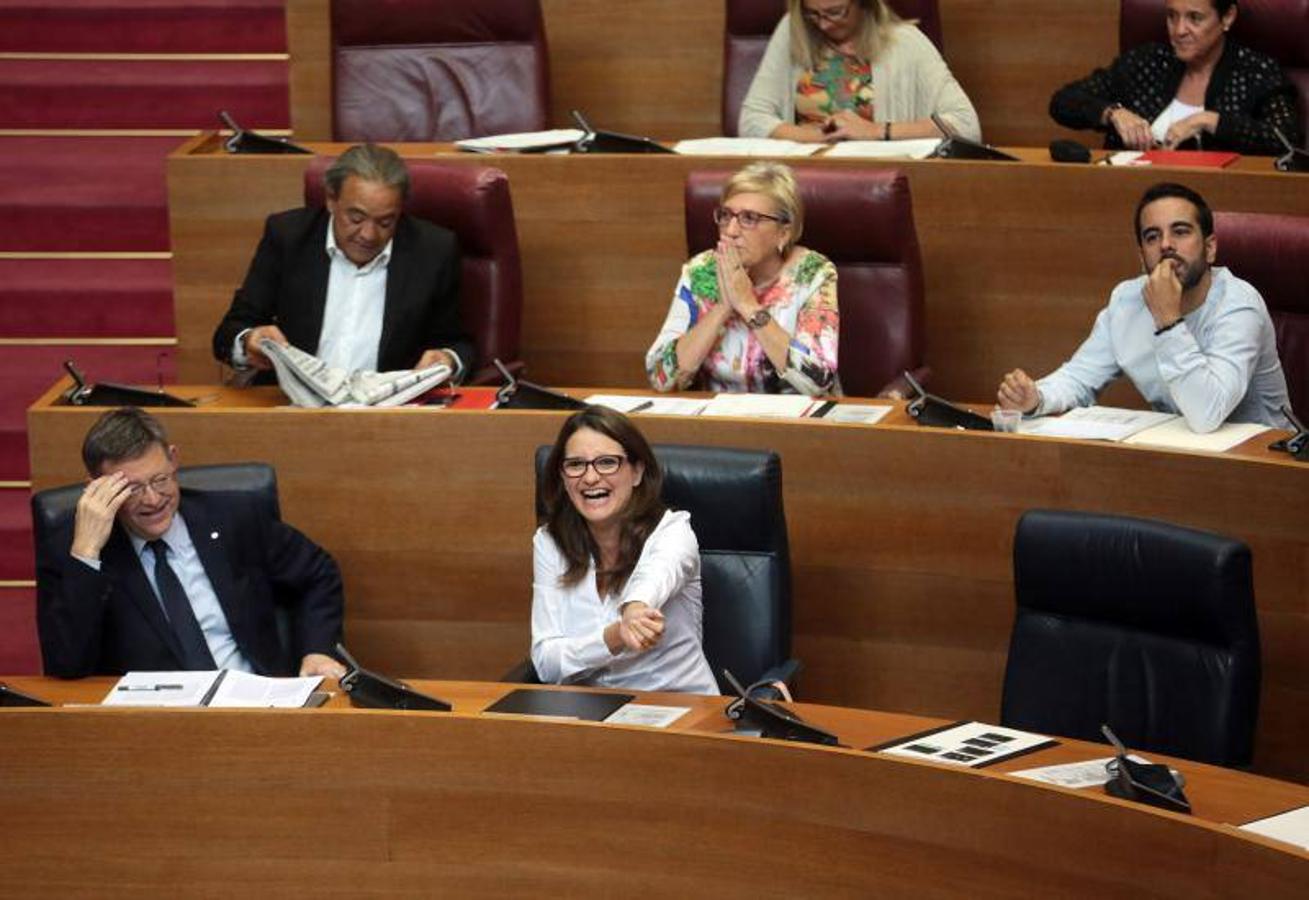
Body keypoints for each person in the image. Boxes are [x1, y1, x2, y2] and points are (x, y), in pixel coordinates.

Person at [36, 407, 347, 679]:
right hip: (152, 726)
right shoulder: (73, 550)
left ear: (173, 460)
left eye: (160, 479)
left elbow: (318, 573)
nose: (153, 499)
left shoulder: (233, 516)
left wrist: (317, 649)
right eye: (131, 488)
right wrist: (87, 554)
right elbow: (66, 664)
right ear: (97, 491)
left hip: (254, 705)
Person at [996, 182, 1290, 434]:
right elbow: (1078, 378)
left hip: (1261, 467)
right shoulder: (1127, 301)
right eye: (1152, 237)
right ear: (1141, 256)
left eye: (1180, 231)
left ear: (1210, 247)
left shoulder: (1239, 305)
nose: (1165, 245)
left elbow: (1207, 414)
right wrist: (1036, 398)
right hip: (1182, 459)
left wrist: (1168, 321)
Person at [212, 142, 475, 382]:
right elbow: (230, 331)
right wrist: (249, 341)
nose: (369, 235)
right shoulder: (288, 238)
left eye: (386, 222)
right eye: (356, 218)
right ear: (331, 200)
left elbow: (456, 342)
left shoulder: (433, 250)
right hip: (294, 408)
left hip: (390, 415)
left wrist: (447, 360)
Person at [531, 406, 718, 696]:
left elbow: (657, 575)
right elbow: (546, 663)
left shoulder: (673, 531)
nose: (590, 478)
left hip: (678, 707)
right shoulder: (550, 542)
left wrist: (635, 609)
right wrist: (615, 636)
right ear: (563, 477)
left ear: (637, 472)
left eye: (607, 463)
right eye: (576, 465)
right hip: (590, 716)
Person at [646, 162, 839, 395]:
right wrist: (723, 308)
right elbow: (660, 377)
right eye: (726, 216)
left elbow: (818, 382)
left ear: (784, 233)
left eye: (749, 218)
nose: (731, 230)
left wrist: (747, 304)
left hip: (798, 423)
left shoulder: (812, 273)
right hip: (718, 422)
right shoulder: (701, 271)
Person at [1049, 0, 1302, 155]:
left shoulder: (1256, 71)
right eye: (1172, 16)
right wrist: (1113, 113)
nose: (1179, 30)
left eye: (1195, 18)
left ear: (1227, 17)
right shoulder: (1146, 61)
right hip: (1129, 197)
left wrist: (1209, 121)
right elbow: (1063, 102)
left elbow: (1288, 141)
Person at [738, 0, 980, 143]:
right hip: (800, 176)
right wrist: (814, 138)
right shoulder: (794, 30)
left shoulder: (908, 43)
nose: (822, 23)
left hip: (876, 179)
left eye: (835, 12)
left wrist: (876, 131)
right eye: (812, 13)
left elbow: (966, 126)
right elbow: (752, 120)